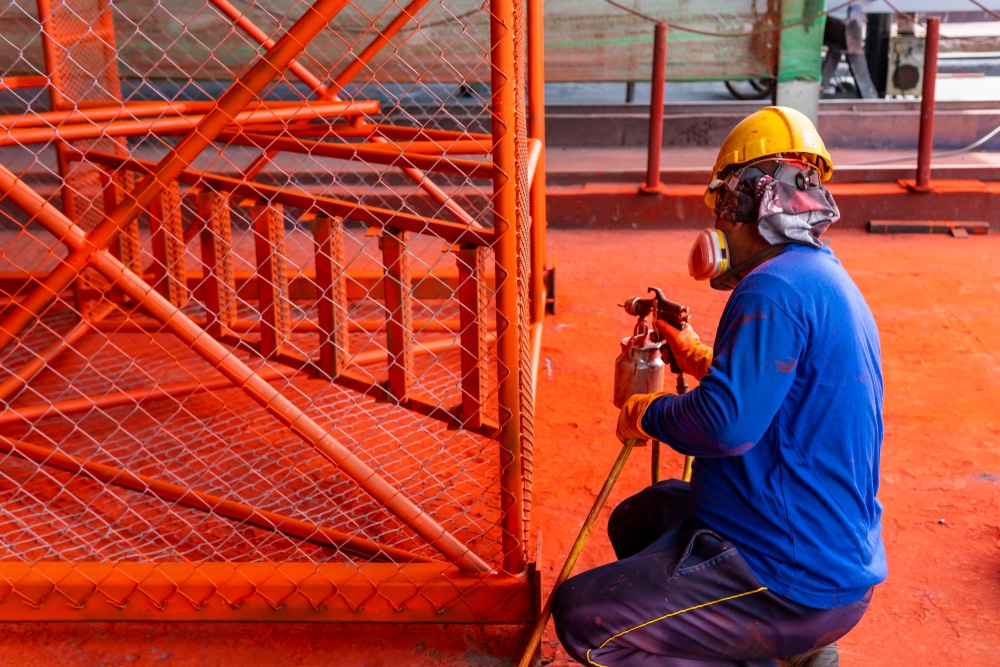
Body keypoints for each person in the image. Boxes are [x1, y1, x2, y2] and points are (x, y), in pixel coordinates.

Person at [551, 106, 886, 667]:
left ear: (744, 202)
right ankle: (782, 648)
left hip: (790, 574)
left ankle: (774, 646)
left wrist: (648, 410)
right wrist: (700, 357)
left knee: (586, 619)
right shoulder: (818, 277)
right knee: (642, 517)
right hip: (819, 546)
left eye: (723, 209)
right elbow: (782, 391)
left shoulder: (769, 290)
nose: (720, 227)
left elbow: (725, 425)